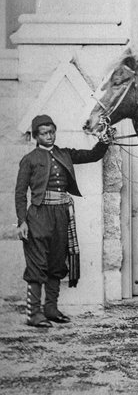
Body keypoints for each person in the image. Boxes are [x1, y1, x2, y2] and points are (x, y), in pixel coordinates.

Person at [15, 114, 109, 328]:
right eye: (44, 133)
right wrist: (22, 221)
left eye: (52, 132)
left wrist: (105, 140)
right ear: (36, 136)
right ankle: (34, 314)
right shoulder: (29, 159)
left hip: (61, 216)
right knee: (37, 264)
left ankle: (51, 308)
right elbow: (20, 193)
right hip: (38, 216)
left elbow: (93, 155)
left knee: (57, 262)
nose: (49, 136)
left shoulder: (64, 154)